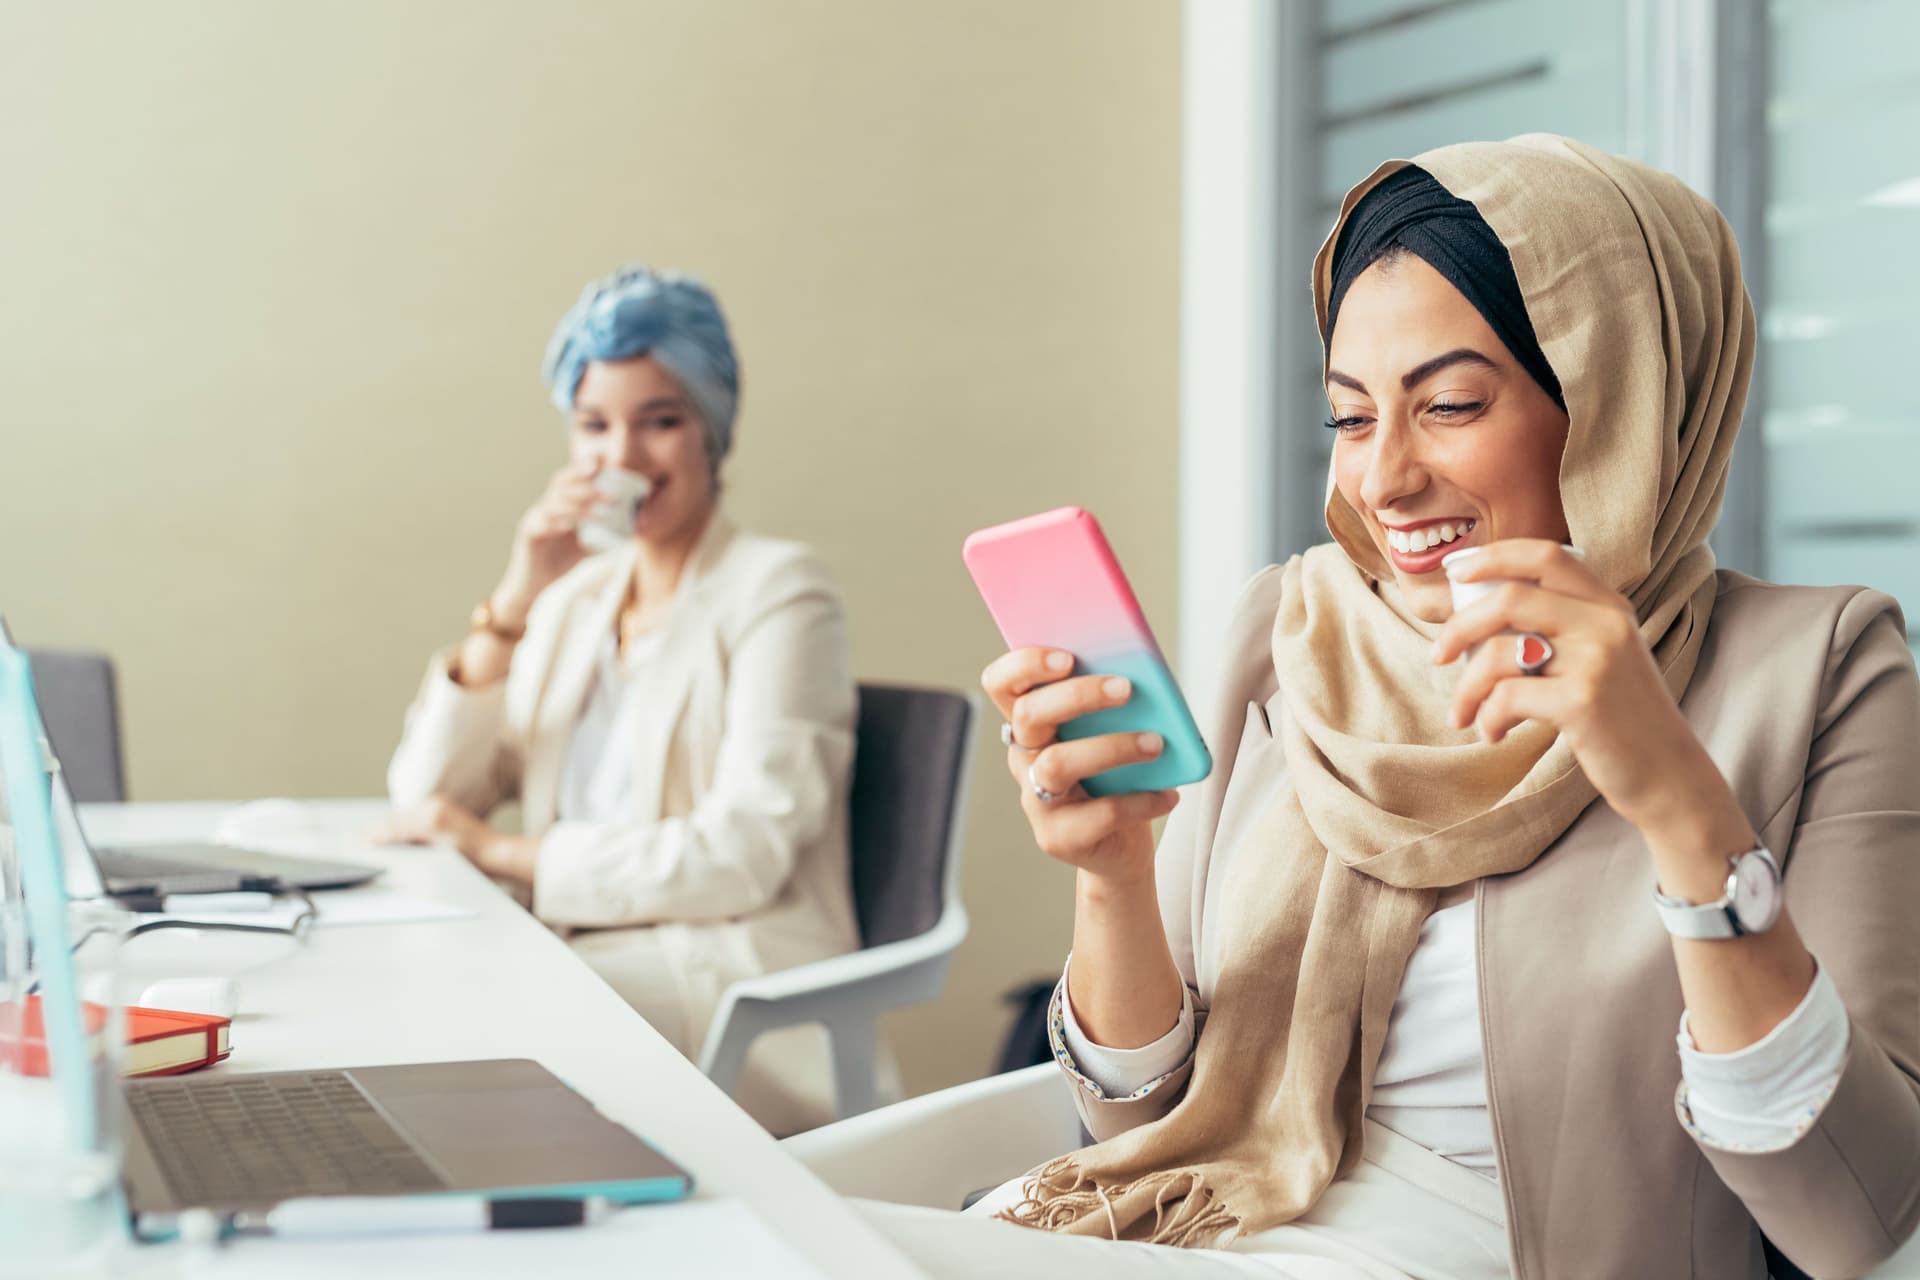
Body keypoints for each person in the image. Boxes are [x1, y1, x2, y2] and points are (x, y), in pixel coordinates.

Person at [857, 135, 1920, 1277]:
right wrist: (1113, 871)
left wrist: (1675, 798)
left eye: (1451, 404)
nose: (1383, 480)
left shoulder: (1821, 665)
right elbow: (1140, 1123)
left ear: (1619, 398)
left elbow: (1852, 1215)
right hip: (1209, 1231)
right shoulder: (1290, 630)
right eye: (1352, 416)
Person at [380, 266, 860, 1135]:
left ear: (713, 431)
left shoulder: (780, 591)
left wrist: (506, 853)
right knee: (416, 988)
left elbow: (742, 853)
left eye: (660, 422)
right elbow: (423, 798)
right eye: (594, 425)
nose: (624, 457)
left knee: (475, 1020)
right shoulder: (572, 600)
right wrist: (517, 595)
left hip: (722, 971)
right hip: (580, 948)